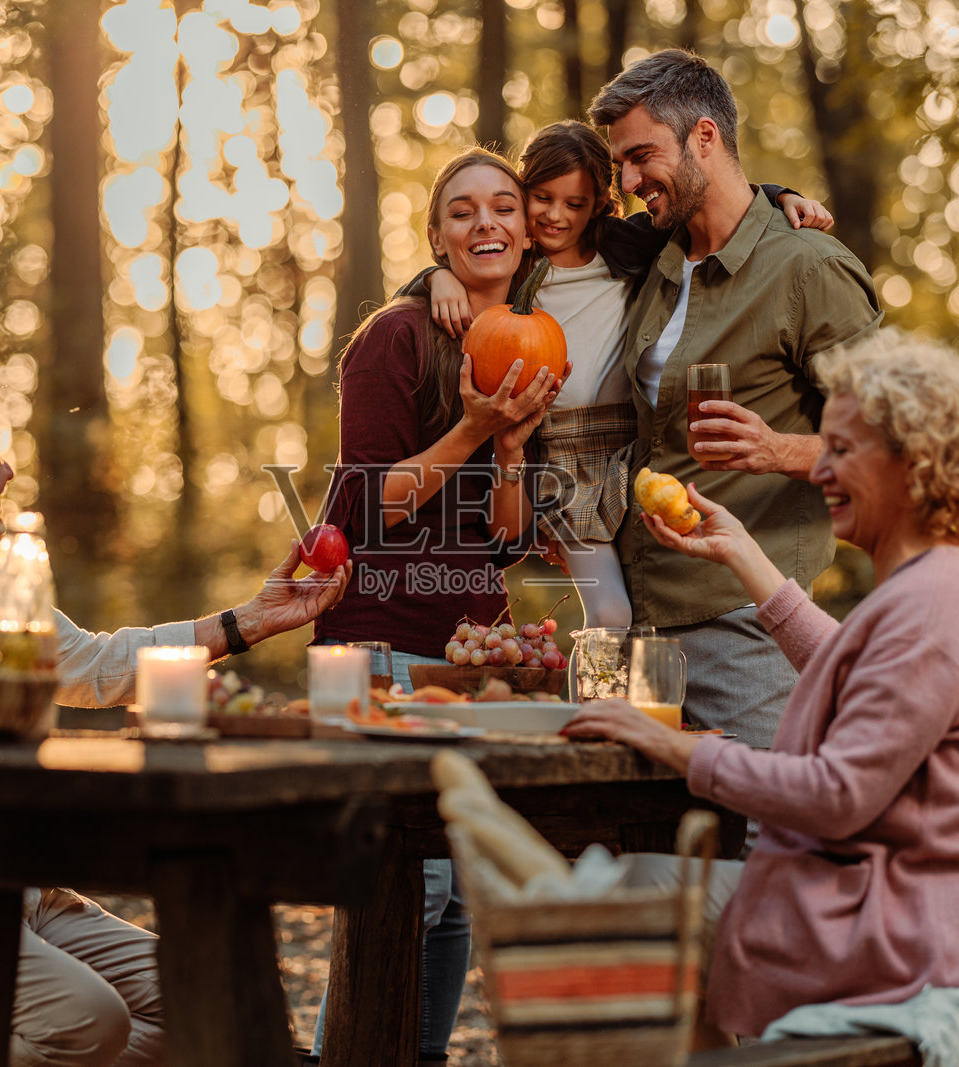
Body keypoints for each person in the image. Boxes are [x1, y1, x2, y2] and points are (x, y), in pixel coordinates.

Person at [0, 375, 352, 1067]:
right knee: (89, 1021)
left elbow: (93, 665)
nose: (11, 468)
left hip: (10, 883)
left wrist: (251, 620)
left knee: (222, 996)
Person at [563, 329, 959, 1060]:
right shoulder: (945, 576)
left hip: (944, 923)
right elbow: (858, 666)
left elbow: (837, 794)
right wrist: (745, 553)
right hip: (943, 899)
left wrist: (672, 745)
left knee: (632, 891)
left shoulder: (937, 600)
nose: (823, 470)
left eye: (843, 450)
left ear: (914, 462)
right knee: (643, 889)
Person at [307, 147, 565, 1064]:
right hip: (378, 644)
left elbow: (504, 541)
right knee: (399, 890)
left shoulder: (531, 341)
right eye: (462, 212)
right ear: (435, 236)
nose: (486, 223)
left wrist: (509, 449)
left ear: (530, 228)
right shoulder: (394, 338)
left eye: (505, 206)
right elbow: (366, 507)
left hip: (457, 655)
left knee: (451, 894)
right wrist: (472, 426)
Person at [416, 120, 833, 630]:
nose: (554, 215)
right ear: (522, 197)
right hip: (564, 465)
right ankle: (593, 708)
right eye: (541, 199)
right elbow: (449, 265)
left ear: (600, 205)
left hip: (636, 452)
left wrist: (777, 195)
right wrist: (433, 277)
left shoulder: (628, 246)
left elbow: (710, 210)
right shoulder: (515, 269)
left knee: (653, 599)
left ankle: (647, 702)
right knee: (610, 613)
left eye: (574, 203)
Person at [586, 50, 883, 745]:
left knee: (775, 829)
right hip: (639, 619)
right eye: (620, 165)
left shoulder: (809, 268)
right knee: (662, 836)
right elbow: (528, 237)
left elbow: (898, 443)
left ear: (706, 137)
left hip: (747, 621)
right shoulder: (653, 261)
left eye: (641, 156)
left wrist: (778, 448)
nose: (628, 182)